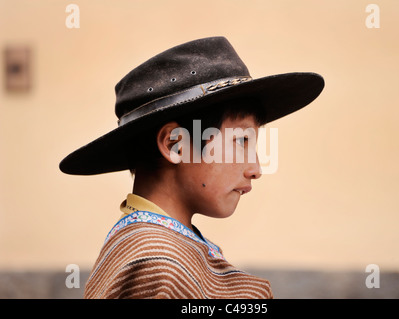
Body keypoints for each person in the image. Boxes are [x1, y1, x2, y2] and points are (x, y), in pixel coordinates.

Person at [59, 36, 324, 299]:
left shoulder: (162, 248)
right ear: (175, 144)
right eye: (241, 140)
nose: (256, 168)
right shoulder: (155, 266)